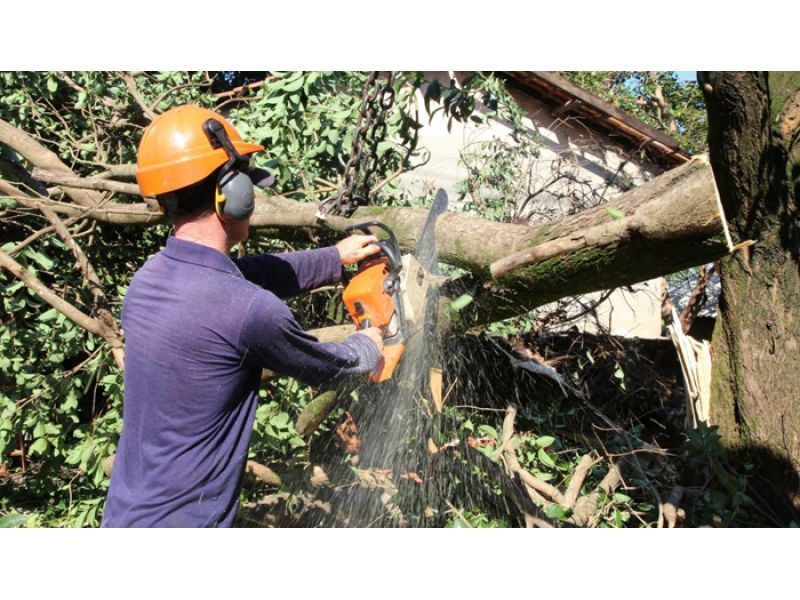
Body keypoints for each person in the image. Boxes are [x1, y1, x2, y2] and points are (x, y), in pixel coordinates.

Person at [101, 105, 384, 527]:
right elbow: (332, 368)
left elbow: (248, 276)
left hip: (124, 517)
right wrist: (370, 343)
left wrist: (334, 258)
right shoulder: (250, 310)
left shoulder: (148, 281)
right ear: (231, 195)